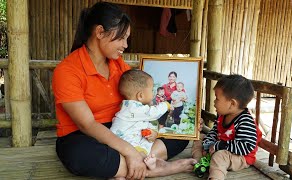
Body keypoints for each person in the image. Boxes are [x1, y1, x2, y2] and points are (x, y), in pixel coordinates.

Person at [52, 2, 195, 179]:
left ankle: (124, 166)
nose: (125, 45)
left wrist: (185, 122)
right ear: (99, 32)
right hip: (84, 135)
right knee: (79, 155)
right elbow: (86, 124)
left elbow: (143, 100)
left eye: (127, 39)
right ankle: (157, 167)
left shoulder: (120, 66)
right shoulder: (67, 71)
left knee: (180, 136)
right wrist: (129, 152)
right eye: (121, 38)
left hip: (124, 128)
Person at [192, 74, 262, 180]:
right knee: (199, 137)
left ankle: (215, 177)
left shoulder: (245, 121)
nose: (214, 102)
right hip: (220, 148)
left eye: (217, 98)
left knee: (219, 156)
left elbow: (246, 147)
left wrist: (219, 146)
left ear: (232, 103)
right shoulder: (222, 116)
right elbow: (214, 132)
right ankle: (199, 162)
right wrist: (208, 144)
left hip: (240, 157)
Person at [110, 69, 171, 171]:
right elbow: (154, 113)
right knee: (139, 153)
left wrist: (153, 132)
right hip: (124, 141)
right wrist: (166, 105)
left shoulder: (131, 107)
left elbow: (147, 122)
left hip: (128, 140)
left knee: (144, 146)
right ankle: (147, 164)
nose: (153, 93)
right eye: (151, 90)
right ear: (140, 96)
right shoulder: (133, 108)